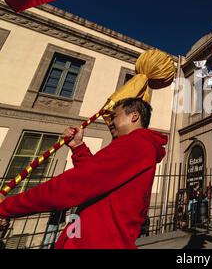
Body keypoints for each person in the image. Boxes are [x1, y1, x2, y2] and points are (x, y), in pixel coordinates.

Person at [0, 98, 168, 249]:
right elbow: (96, 180)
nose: (109, 123)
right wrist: (78, 147)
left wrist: (6, 206)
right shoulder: (139, 146)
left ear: (134, 116)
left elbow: (72, 185)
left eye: (114, 117)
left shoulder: (133, 144)